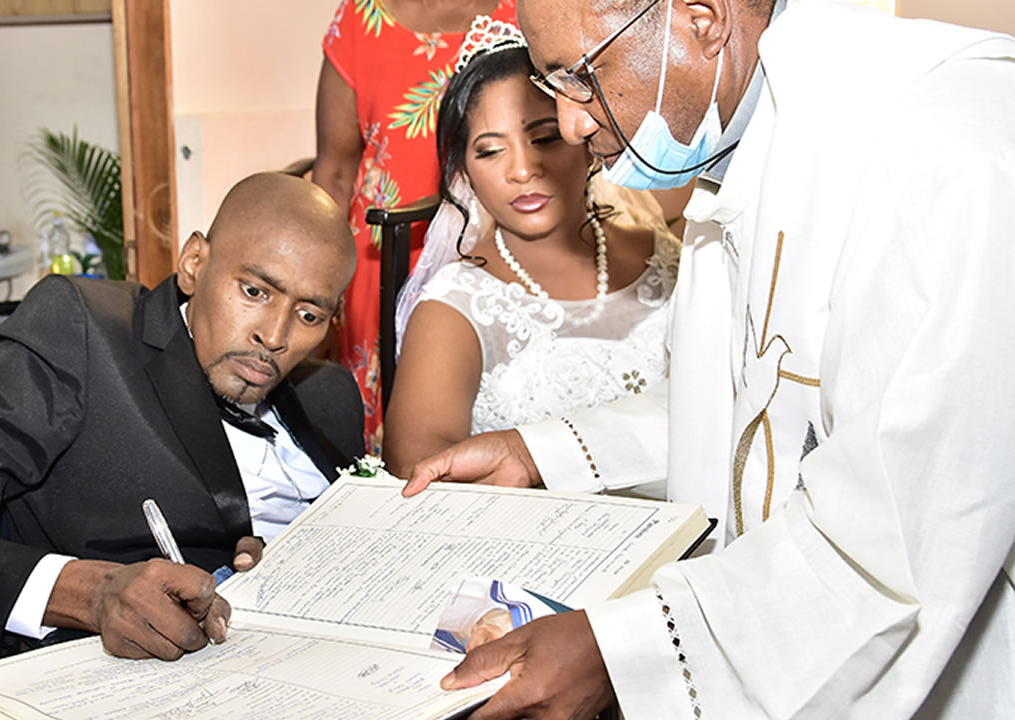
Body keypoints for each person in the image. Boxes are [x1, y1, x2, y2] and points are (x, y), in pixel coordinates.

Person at [404, 0, 1015, 718]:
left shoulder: (946, 146)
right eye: (552, 86)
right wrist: (539, 452)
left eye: (579, 76)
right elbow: (742, 398)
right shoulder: (741, 145)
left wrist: (627, 653)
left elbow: (899, 543)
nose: (569, 124)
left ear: (703, 19)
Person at [0, 173, 363, 660]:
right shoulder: (84, 333)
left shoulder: (331, 398)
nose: (275, 335)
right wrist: (92, 595)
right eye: (254, 291)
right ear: (194, 262)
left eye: (309, 314)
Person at [383, 18, 678, 486]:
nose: (522, 170)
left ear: (586, 137)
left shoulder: (668, 259)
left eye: (544, 138)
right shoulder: (455, 306)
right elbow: (419, 469)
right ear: (465, 172)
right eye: (490, 151)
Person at [313, 0, 518, 452]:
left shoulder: (523, 14)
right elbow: (335, 171)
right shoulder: (360, 17)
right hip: (377, 258)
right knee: (377, 429)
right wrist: (316, 288)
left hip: (491, 251)